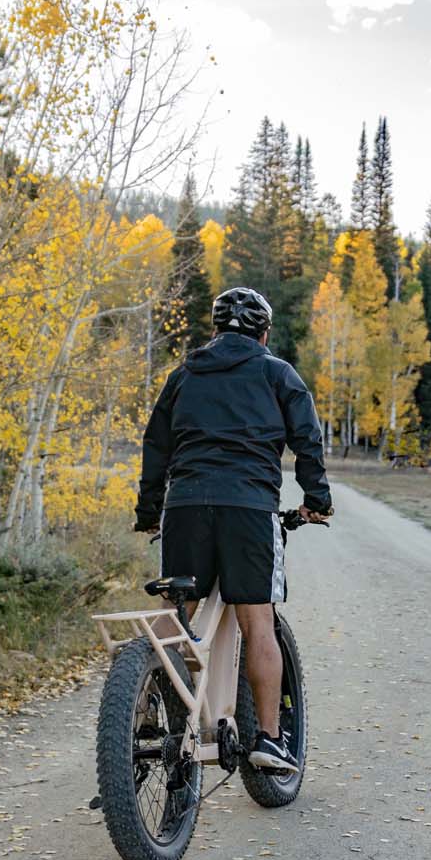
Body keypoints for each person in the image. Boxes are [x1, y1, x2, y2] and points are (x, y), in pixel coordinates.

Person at [134, 287, 332, 773]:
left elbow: (156, 445)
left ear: (215, 331)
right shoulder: (277, 372)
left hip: (184, 507)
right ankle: (268, 739)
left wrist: (148, 510)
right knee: (257, 621)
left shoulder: (183, 375)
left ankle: (139, 716)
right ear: (264, 334)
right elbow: (308, 439)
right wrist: (316, 501)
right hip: (248, 509)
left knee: (175, 611)